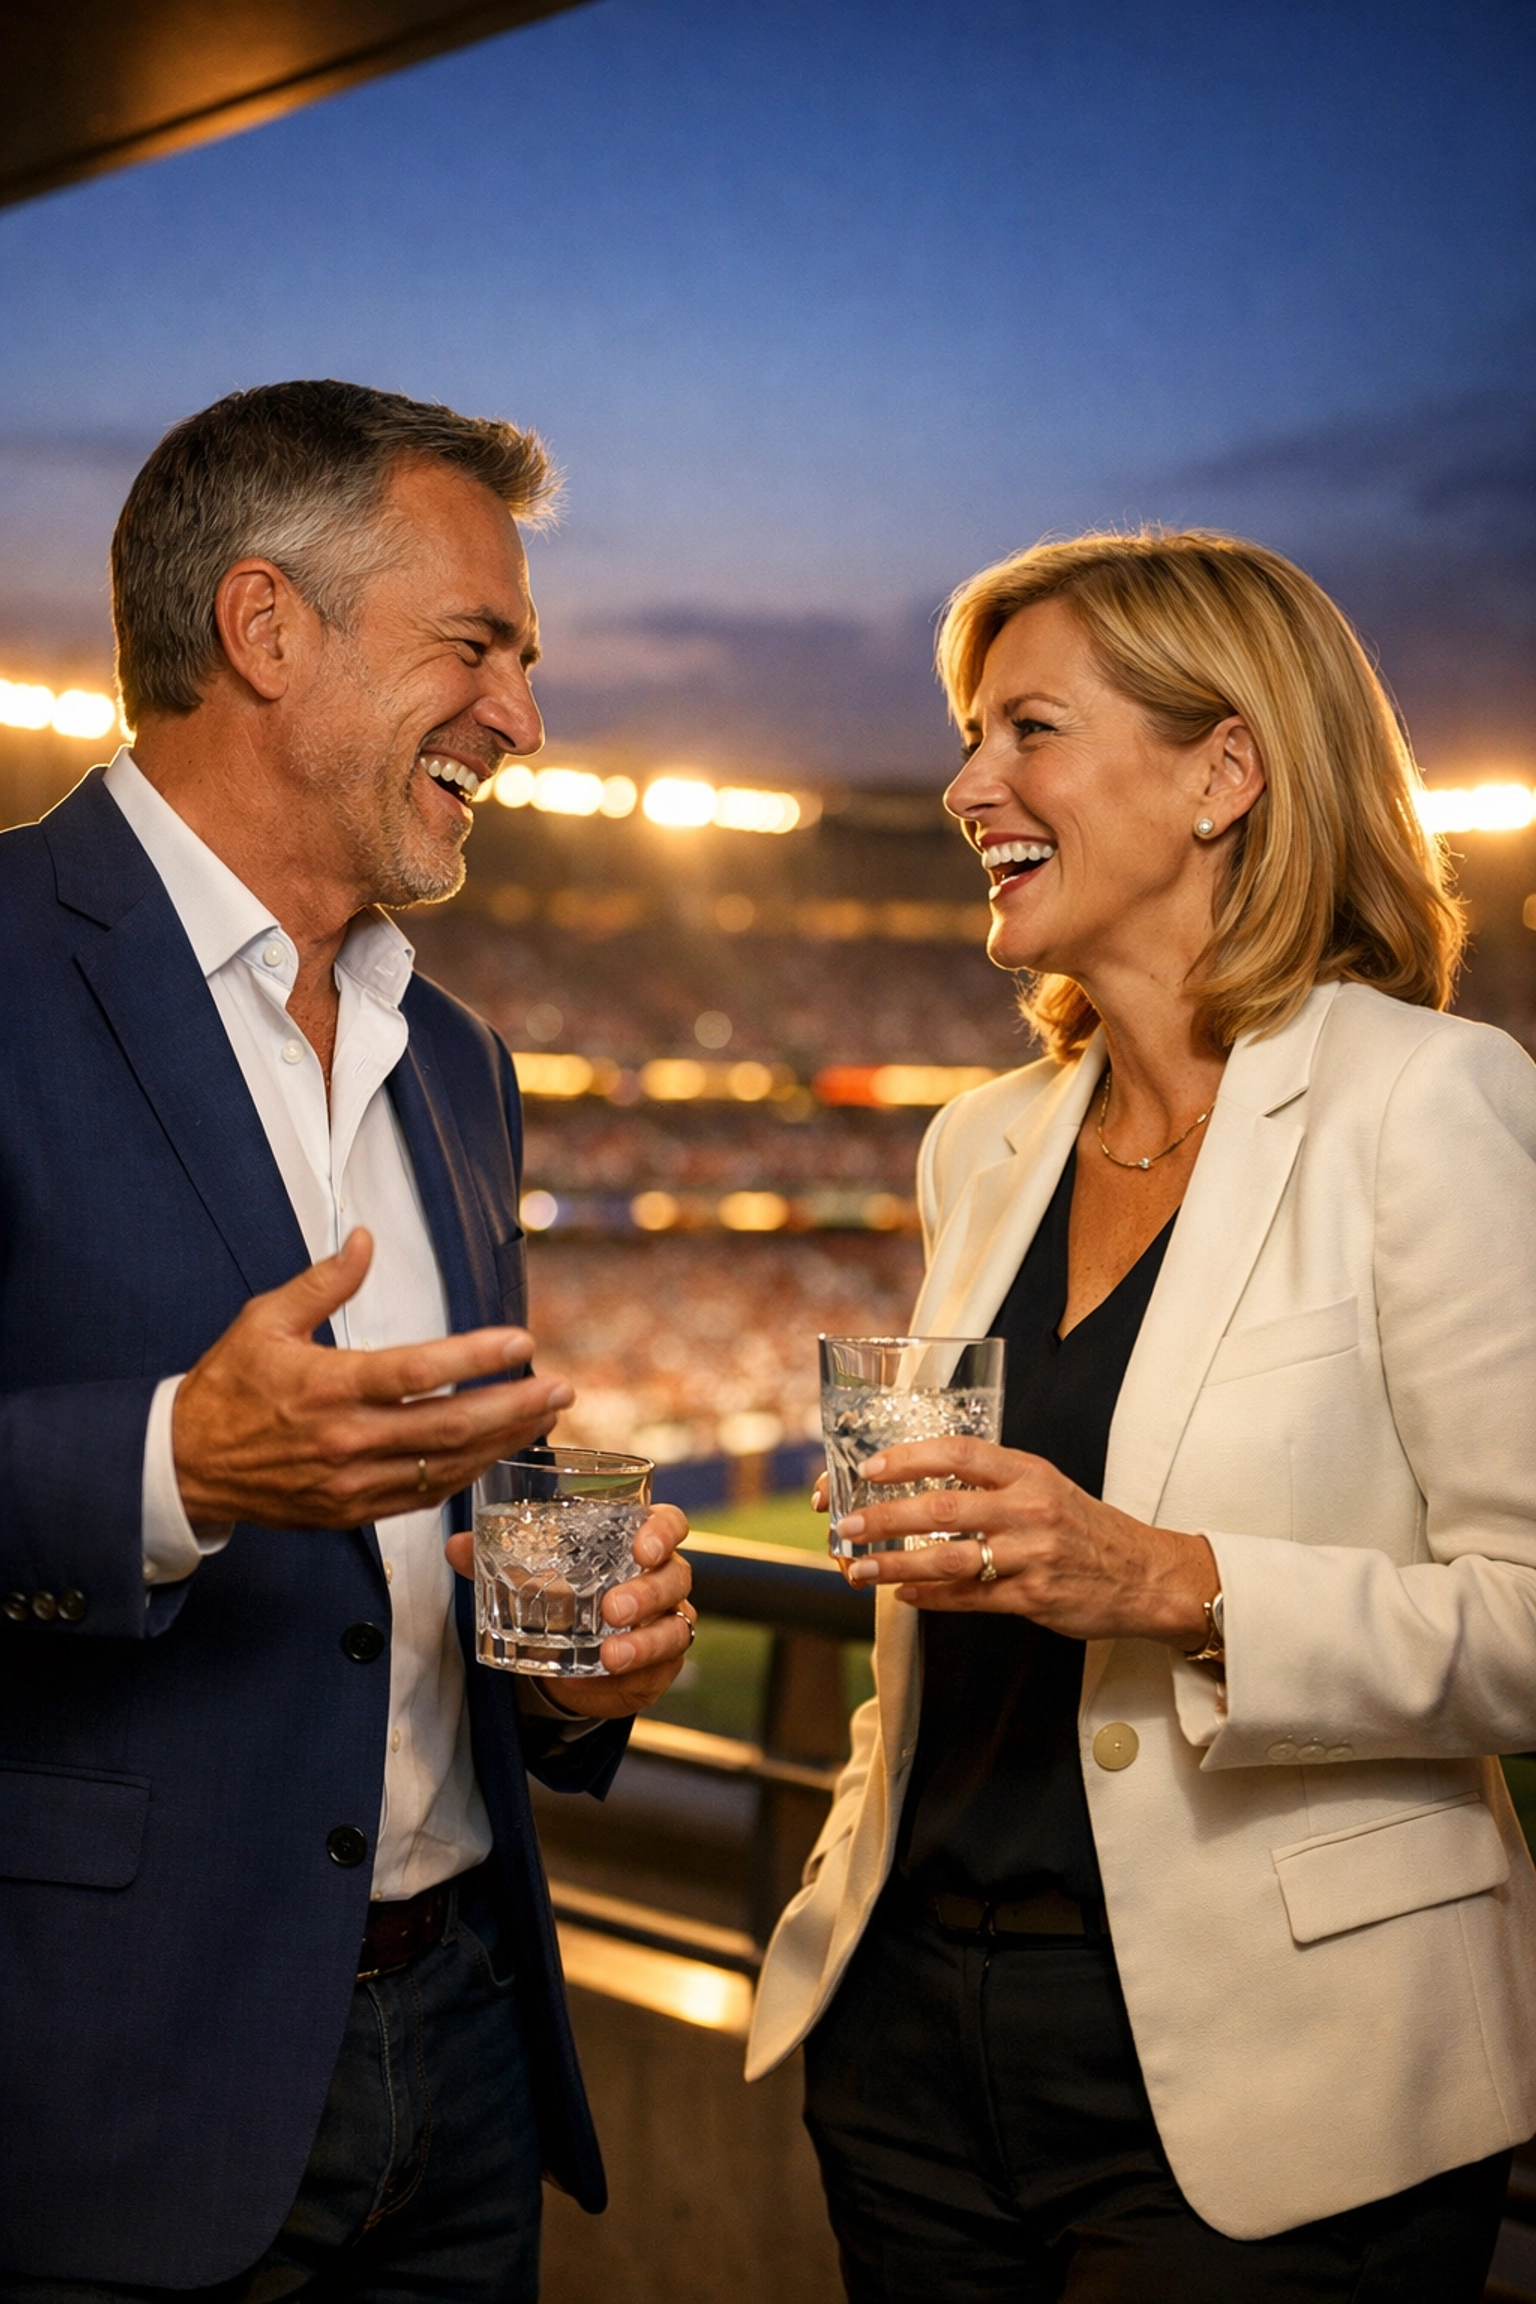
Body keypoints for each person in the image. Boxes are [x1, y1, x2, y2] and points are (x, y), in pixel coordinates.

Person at [748, 529, 1536, 2301]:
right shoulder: (984, 1141)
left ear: (1224, 772)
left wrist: (1173, 1582)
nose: (968, 785)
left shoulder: (1427, 1107)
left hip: (1282, 2085)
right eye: (971, 736)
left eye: (1029, 730)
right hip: (908, 2052)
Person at [0, 381, 696, 2300]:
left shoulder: (460, 1062)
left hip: (462, 2048)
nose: (526, 720)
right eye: (477, 644)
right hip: (103, 2091)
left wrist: (579, 1662)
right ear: (264, 627)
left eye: (527, 663)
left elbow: (461, 1530)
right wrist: (169, 1469)